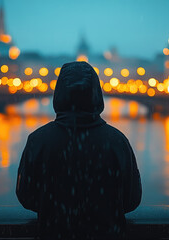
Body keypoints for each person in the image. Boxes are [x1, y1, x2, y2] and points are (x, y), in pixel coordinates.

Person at [16, 61, 142, 239]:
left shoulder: (38, 140)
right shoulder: (117, 141)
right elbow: (131, 200)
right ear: (96, 93)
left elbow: (26, 196)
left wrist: (56, 208)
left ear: (59, 93)